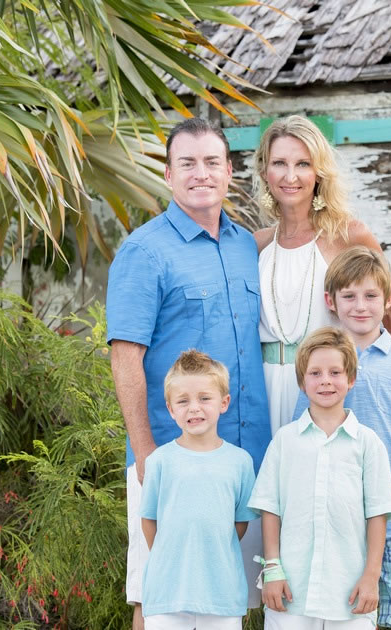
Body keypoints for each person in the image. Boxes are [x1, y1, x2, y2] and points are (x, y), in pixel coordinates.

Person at [107, 117, 270, 630]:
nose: (201, 174)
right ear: (169, 174)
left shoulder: (246, 245)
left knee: (235, 597)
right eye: (188, 163)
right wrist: (146, 453)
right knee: (155, 595)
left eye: (212, 163)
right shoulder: (144, 251)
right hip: (170, 459)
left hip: (244, 455)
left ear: (229, 172)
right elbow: (125, 357)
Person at [294, 247, 391, 629]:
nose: (361, 306)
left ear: (388, 300)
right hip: (340, 523)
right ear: (331, 301)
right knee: (350, 620)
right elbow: (301, 443)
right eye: (349, 296)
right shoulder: (321, 365)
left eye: (372, 296)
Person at [253, 115, 391, 435]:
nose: (290, 175)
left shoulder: (350, 236)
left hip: (330, 386)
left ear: (319, 173)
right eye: (279, 163)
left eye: (303, 164)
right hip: (266, 388)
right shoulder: (257, 245)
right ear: (264, 171)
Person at [249, 327, 391, 630]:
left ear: (351, 379)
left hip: (349, 594)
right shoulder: (285, 441)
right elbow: (270, 509)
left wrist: (371, 577)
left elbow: (378, 515)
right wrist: (273, 568)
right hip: (292, 592)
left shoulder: (368, 443)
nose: (326, 380)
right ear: (302, 382)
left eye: (335, 372)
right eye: (315, 373)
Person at [140, 350, 258, 630]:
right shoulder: (159, 461)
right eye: (183, 401)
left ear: (224, 402)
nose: (194, 408)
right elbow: (149, 520)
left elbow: (239, 523)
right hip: (167, 592)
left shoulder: (240, 462)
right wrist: (171, 555)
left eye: (205, 398)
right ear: (171, 409)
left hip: (221, 593)